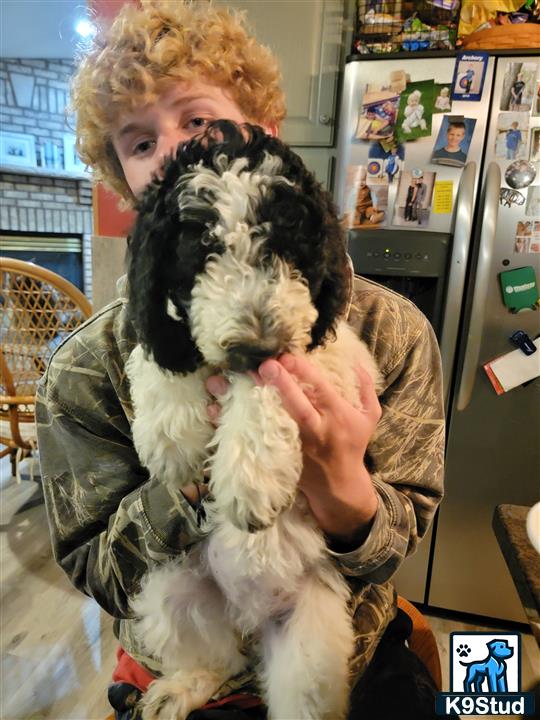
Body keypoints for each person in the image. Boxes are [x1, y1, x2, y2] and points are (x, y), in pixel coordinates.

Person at [35, 2, 445, 719]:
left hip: (348, 653)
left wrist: (344, 490)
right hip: (179, 669)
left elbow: (400, 541)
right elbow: (95, 570)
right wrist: (193, 485)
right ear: (121, 179)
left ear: (265, 130)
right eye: (137, 142)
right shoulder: (81, 369)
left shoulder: (391, 328)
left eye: (199, 122)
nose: (172, 153)